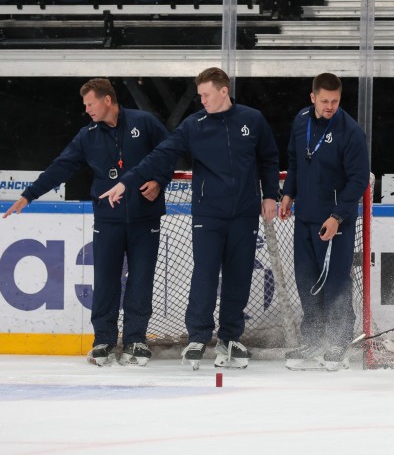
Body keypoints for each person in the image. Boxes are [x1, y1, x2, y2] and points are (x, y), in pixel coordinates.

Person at [100, 67, 280, 370]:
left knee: (239, 276)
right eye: (200, 95)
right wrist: (125, 182)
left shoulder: (252, 119)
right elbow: (158, 156)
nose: (202, 100)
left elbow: (269, 158)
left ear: (223, 91)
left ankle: (231, 337)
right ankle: (198, 336)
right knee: (205, 274)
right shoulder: (194, 125)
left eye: (206, 95)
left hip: (244, 214)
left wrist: (270, 194)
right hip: (208, 214)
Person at [2, 78, 171, 367]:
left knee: (141, 280)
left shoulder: (144, 122)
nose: (87, 109)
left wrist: (159, 180)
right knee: (105, 280)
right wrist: (29, 195)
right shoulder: (87, 135)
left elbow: (169, 152)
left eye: (90, 103)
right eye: (85, 105)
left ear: (107, 100)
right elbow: (61, 167)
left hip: (146, 218)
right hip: (107, 219)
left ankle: (136, 340)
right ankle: (103, 340)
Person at [278, 73, 370, 371]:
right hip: (304, 217)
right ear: (313, 98)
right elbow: (294, 160)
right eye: (325, 100)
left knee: (335, 283)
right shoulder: (301, 120)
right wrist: (289, 193)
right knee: (306, 280)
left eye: (335, 101)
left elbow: (358, 180)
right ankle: (314, 340)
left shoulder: (350, 131)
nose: (330, 106)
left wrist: (337, 216)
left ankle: (339, 342)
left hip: (335, 222)